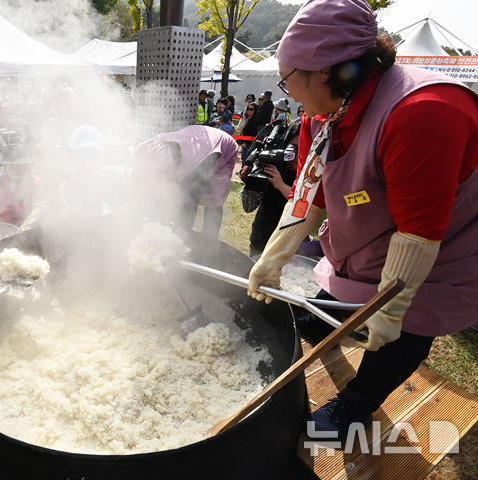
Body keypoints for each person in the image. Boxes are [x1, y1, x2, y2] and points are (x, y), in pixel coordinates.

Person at [247, 0, 478, 446]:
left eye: (289, 77)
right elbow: (308, 191)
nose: (286, 90)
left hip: (444, 240)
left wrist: (389, 309)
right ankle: (329, 323)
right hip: (375, 228)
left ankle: (354, 406)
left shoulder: (424, 110)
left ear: (329, 70)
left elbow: (418, 233)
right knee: (338, 291)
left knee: (406, 321)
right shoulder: (321, 112)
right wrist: (273, 258)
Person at [132, 125, 240, 237]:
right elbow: (143, 184)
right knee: (172, 191)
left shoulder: (194, 165)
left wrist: (182, 231)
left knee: (214, 196)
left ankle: (210, 239)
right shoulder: (152, 148)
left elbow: (191, 198)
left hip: (220, 146)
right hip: (195, 139)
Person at [238, 119, 301, 257]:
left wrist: (280, 185)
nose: (295, 154)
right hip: (261, 238)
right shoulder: (273, 166)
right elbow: (249, 207)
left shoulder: (309, 174)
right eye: (292, 146)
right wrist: (250, 183)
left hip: (290, 244)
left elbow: (304, 204)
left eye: (302, 148)